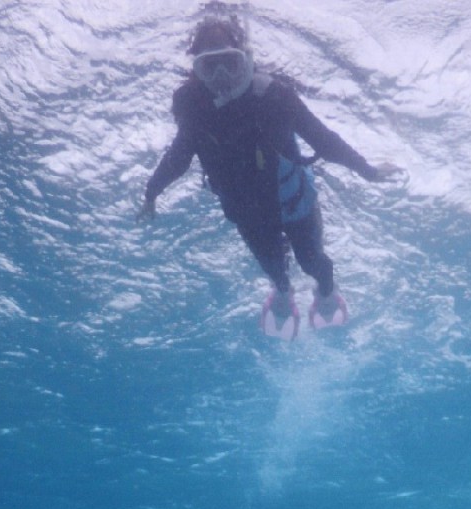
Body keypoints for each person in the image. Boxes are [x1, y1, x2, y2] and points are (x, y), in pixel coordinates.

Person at [138, 9, 398, 338]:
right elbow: (179, 156)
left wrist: (368, 171)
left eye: (229, 63)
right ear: (197, 70)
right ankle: (283, 293)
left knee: (314, 262)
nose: (220, 76)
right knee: (274, 267)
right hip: (247, 212)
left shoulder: (274, 96)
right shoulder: (193, 106)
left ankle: (326, 293)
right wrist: (151, 193)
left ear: (244, 59)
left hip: (295, 202)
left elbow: (322, 139)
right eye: (209, 66)